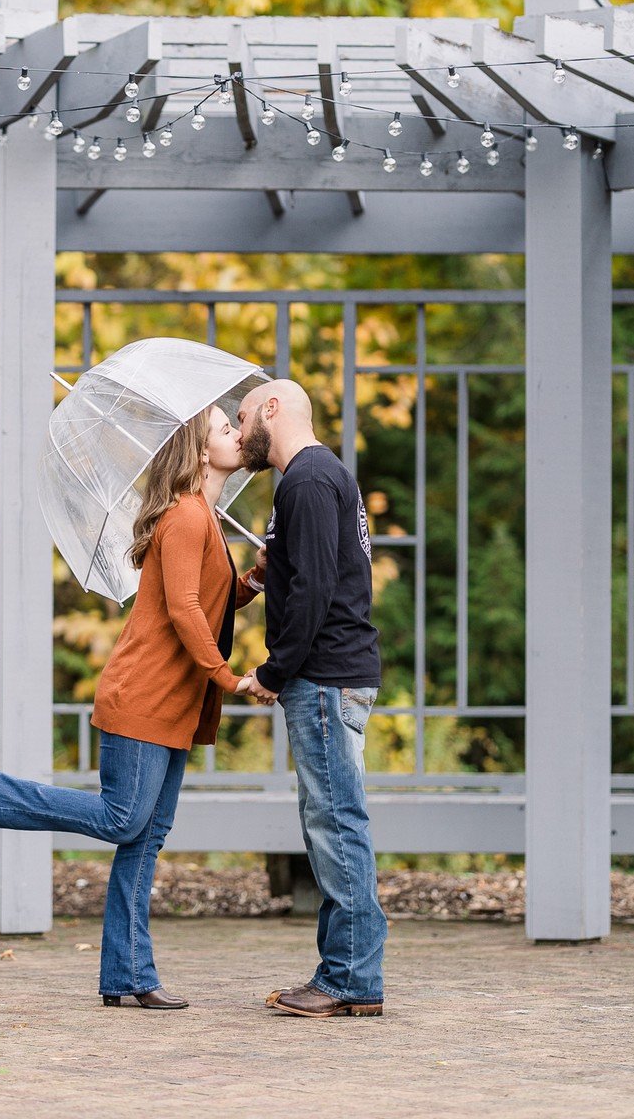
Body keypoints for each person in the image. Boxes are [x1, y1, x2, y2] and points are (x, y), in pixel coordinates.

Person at [0, 404, 261, 1009]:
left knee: (146, 835)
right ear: (196, 449)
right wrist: (229, 678)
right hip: (143, 696)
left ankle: (127, 977)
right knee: (123, 820)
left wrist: (255, 579)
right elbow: (187, 612)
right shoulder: (188, 516)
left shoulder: (206, 518)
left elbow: (209, 601)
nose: (238, 436)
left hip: (173, 704)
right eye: (224, 429)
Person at [235, 379, 388, 1018]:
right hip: (335, 675)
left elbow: (319, 590)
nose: (239, 433)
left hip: (324, 678)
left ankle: (349, 979)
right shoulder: (315, 480)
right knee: (332, 821)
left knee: (334, 825)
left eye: (242, 418)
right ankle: (346, 974)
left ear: (273, 409)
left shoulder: (305, 480)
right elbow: (315, 571)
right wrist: (271, 569)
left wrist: (274, 672)